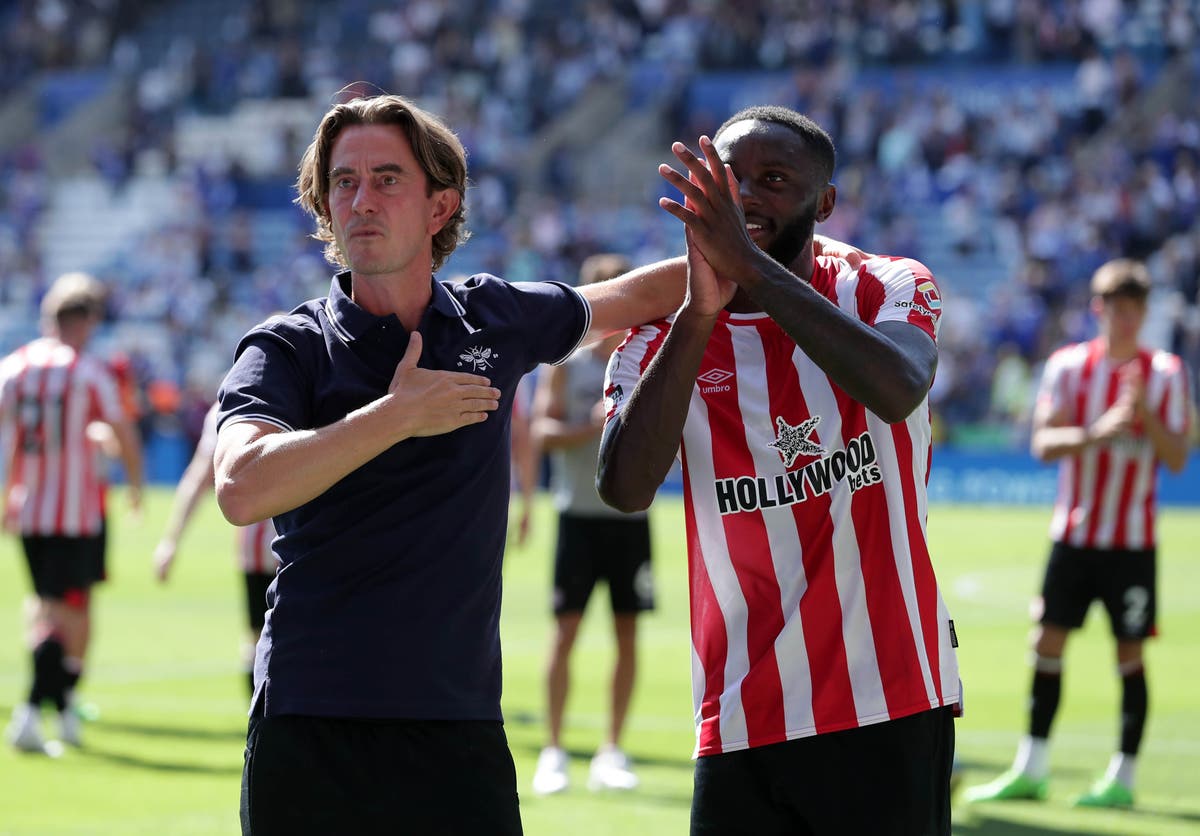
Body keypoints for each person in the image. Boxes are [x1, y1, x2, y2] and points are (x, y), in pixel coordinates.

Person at [213, 91, 685, 835]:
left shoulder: (493, 318)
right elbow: (241, 488)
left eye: (387, 179)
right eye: (344, 181)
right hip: (312, 720)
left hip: (457, 723)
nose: (361, 200)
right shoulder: (286, 346)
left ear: (440, 207)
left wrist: (777, 248)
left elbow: (635, 295)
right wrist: (394, 416)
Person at [597, 105, 963, 835]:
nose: (749, 196)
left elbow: (895, 388)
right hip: (739, 715)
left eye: (775, 179)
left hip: (889, 699)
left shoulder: (886, 284)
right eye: (732, 179)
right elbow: (625, 488)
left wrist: (752, 272)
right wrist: (700, 313)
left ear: (824, 204)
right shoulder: (659, 333)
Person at [965, 258, 1191, 809]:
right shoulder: (1068, 367)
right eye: (1116, 309)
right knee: (1045, 643)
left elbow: (1179, 457)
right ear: (1098, 310)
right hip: (1074, 535)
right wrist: (1100, 430)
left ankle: (1124, 777)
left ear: (1145, 312)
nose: (1126, 321)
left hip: (1133, 542)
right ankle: (1032, 767)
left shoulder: (1165, 373)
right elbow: (1042, 445)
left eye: (1135, 310)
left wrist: (1143, 416)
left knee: (1130, 655)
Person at [1, 272, 144, 755]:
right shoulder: (86, 371)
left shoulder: (14, 368)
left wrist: (7, 498)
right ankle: (29, 713)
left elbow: (8, 443)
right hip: (76, 512)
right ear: (84, 321)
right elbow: (122, 429)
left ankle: (61, 712)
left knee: (46, 607)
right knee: (63, 615)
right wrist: (136, 485)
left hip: (30, 510)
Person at [529, 253, 656, 796]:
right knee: (566, 632)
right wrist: (590, 427)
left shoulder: (649, 361)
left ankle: (612, 749)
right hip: (576, 515)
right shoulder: (568, 363)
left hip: (630, 521)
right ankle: (554, 751)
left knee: (628, 633)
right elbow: (540, 431)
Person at [153, 400, 278, 697]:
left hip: (294, 543)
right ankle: (262, 727)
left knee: (267, 638)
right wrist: (171, 540)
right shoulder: (230, 404)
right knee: (260, 638)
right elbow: (202, 474)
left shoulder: (233, 401)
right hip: (265, 546)